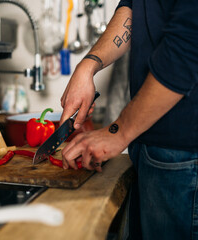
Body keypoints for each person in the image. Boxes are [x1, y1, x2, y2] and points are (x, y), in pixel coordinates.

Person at [59, 0, 198, 239]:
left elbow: (188, 47)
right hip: (147, 142)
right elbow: (133, 9)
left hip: (185, 153)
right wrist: (88, 65)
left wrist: (119, 132)